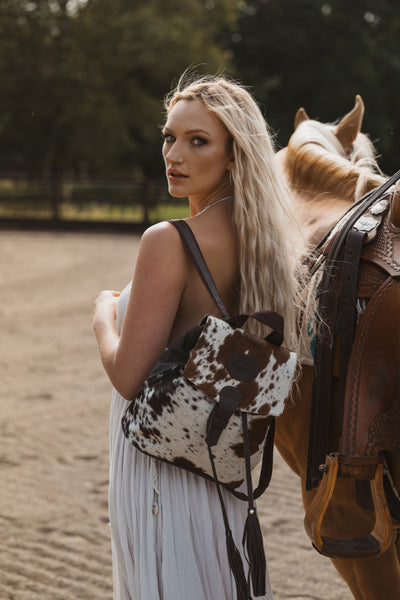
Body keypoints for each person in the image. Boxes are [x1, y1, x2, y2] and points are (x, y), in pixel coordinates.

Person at [93, 73, 301, 600]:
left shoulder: (169, 241)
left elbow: (127, 376)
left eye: (197, 140)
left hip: (160, 456)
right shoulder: (267, 246)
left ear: (234, 155)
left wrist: (103, 313)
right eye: (169, 137)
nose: (175, 154)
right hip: (220, 461)